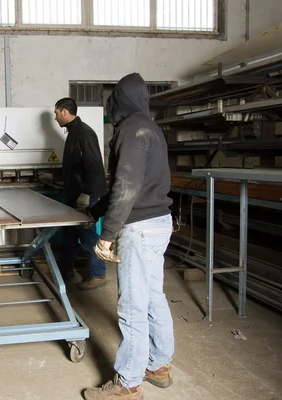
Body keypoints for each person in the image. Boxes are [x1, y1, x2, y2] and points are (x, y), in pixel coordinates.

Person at [83, 73, 175, 400]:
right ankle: (158, 364)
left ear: (121, 99)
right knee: (153, 296)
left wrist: (106, 235)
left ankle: (127, 383)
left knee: (133, 304)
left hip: (139, 229)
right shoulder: (150, 128)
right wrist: (95, 211)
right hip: (159, 222)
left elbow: (128, 186)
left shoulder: (132, 131)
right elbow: (135, 185)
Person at [54, 97, 108, 291]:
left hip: (86, 194)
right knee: (68, 232)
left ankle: (98, 274)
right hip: (74, 193)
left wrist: (86, 195)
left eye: (56, 113)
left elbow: (94, 168)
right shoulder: (73, 132)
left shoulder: (84, 133)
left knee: (87, 234)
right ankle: (66, 269)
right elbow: (75, 165)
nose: (55, 117)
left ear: (65, 112)